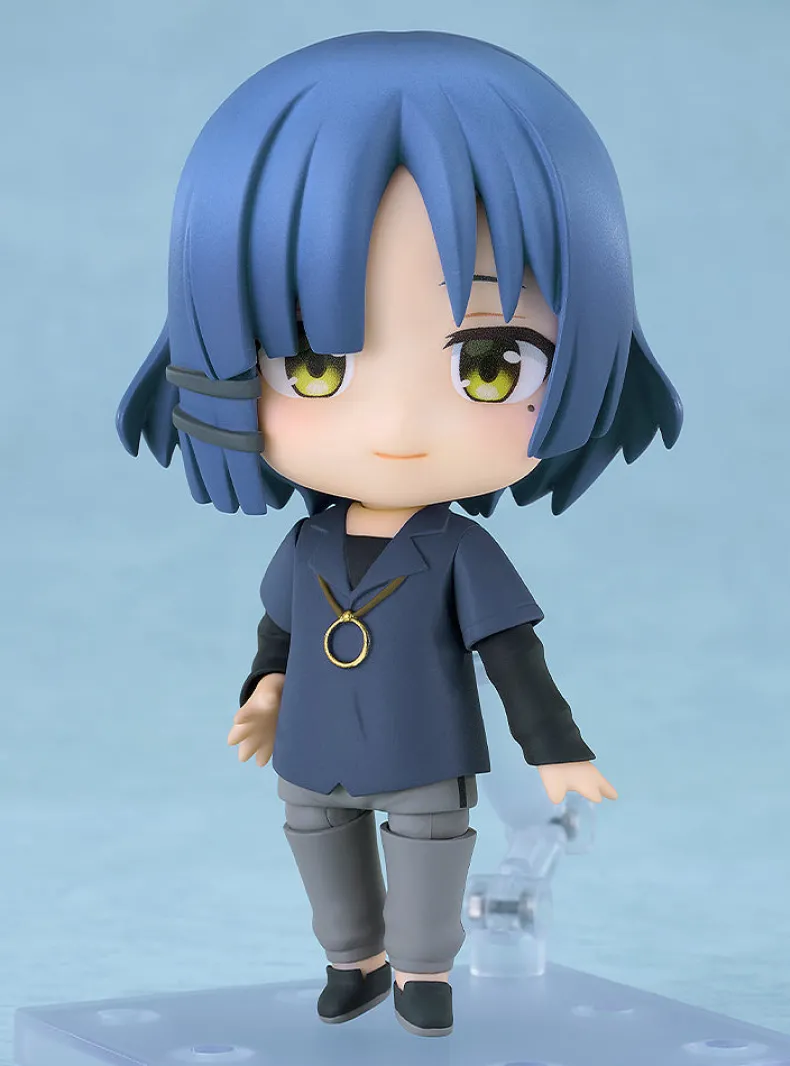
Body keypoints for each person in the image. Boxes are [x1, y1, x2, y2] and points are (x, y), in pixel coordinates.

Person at [117, 30, 683, 1038]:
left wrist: (554, 750)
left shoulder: (460, 552)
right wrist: (264, 691)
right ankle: (354, 959)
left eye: (489, 365)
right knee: (315, 833)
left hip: (422, 736)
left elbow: (511, 654)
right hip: (315, 739)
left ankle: (423, 970)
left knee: (428, 842)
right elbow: (279, 632)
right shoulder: (305, 547)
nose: (395, 426)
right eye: (314, 365)